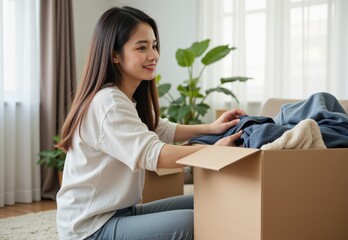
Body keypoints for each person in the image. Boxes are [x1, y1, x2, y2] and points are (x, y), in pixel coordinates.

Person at [55, 6, 245, 240]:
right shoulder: (109, 103)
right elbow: (155, 155)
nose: (153, 55)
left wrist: (211, 128)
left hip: (120, 212)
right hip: (90, 228)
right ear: (115, 54)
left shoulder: (123, 98)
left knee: (204, 202)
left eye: (154, 45)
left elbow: (158, 128)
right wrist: (212, 152)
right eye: (142, 47)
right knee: (193, 222)